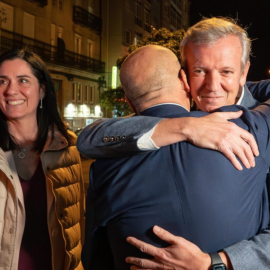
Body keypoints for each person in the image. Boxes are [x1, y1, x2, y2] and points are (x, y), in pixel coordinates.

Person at [77, 18, 270, 269]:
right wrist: (185, 127)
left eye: (226, 71)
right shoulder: (161, 127)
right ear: (184, 75)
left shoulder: (260, 123)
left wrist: (215, 263)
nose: (212, 87)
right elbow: (89, 140)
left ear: (244, 72)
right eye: (200, 71)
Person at [0, 48, 85, 270]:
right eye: (2, 81)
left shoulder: (67, 149)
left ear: (42, 90)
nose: (11, 90)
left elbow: (75, 229)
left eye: (23, 80)